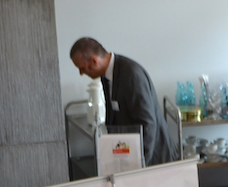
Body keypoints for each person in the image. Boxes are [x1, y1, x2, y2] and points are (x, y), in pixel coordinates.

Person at [69, 38, 177, 167]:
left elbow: (148, 124)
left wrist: (140, 165)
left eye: (82, 68)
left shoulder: (131, 75)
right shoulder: (107, 75)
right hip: (131, 154)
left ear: (94, 61)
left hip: (154, 159)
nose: (81, 73)